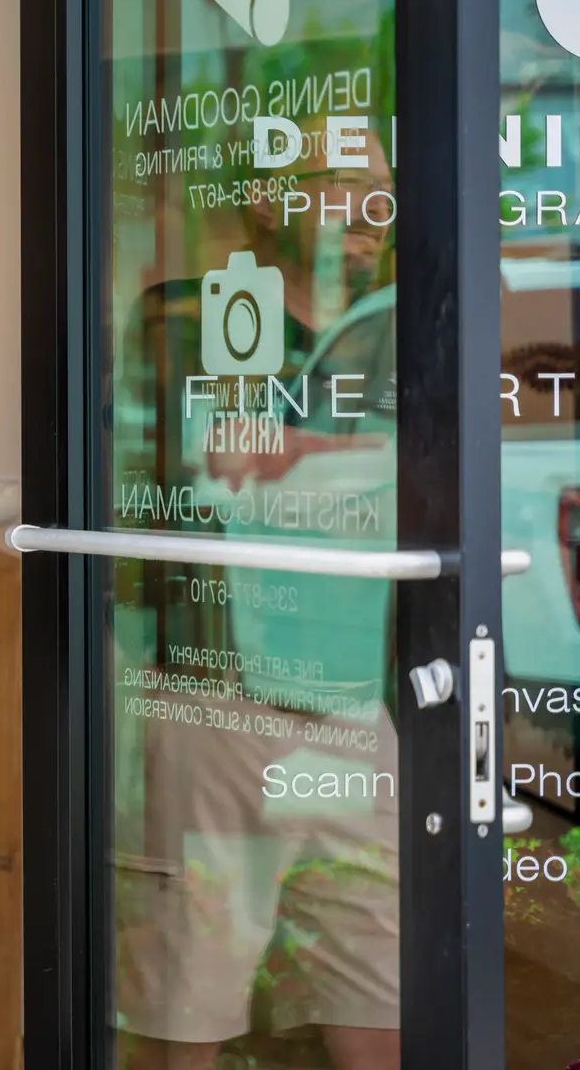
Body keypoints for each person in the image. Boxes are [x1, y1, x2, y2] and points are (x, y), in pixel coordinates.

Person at [114, 118, 402, 1070]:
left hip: (361, 705)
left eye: (380, 194)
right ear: (267, 200)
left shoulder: (402, 331)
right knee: (187, 1006)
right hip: (213, 702)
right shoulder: (187, 317)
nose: (367, 216)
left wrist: (316, 456)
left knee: (381, 991)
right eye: (339, 187)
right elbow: (195, 471)